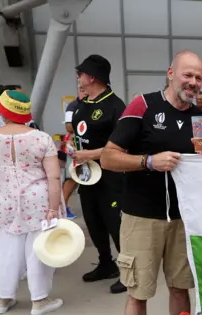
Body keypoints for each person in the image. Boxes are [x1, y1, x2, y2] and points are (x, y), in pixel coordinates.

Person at [100, 51, 202, 315]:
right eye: (187, 75)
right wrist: (149, 161)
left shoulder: (200, 115)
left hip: (182, 219)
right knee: (138, 292)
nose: (193, 83)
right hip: (141, 218)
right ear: (171, 73)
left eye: (198, 77)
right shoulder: (142, 105)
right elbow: (108, 156)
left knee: (181, 289)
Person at [0, 90, 64, 315]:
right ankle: (39, 300)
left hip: (2, 200)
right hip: (38, 200)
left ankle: (3, 299)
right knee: (39, 249)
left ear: (3, 112)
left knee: (6, 249)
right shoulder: (41, 138)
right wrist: (54, 208)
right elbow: (54, 176)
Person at [72, 54, 127, 294]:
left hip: (110, 177)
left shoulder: (116, 106)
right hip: (86, 176)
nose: (78, 78)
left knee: (115, 224)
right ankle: (106, 263)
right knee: (93, 222)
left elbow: (123, 145)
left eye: (81, 73)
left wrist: (90, 154)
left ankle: (128, 272)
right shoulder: (83, 103)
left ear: (92, 77)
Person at [62, 87, 87, 220]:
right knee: (72, 177)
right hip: (75, 145)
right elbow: (68, 126)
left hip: (88, 147)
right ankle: (63, 207)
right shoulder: (73, 106)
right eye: (83, 89)